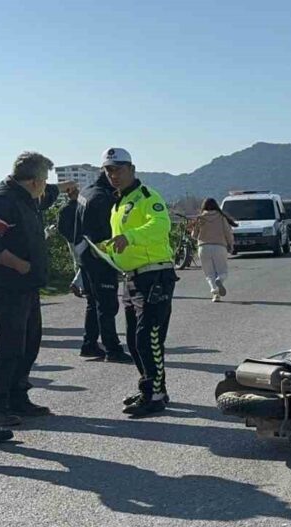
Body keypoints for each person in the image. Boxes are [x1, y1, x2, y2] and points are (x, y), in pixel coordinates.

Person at [0, 152, 74, 439]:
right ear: (34, 180)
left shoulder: (28, 196)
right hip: (6, 288)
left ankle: (18, 397)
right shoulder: (3, 200)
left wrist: (66, 188)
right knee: (7, 347)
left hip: (27, 288)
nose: (46, 187)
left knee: (29, 343)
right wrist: (20, 264)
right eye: (44, 181)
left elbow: (52, 193)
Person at [97, 148, 176, 418]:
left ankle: (154, 396)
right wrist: (106, 248)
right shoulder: (119, 203)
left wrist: (129, 237)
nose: (113, 175)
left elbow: (161, 225)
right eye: (108, 170)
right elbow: (123, 240)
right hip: (131, 277)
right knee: (133, 339)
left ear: (132, 169)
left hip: (154, 275)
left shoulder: (147, 197)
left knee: (148, 337)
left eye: (118, 169)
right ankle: (153, 388)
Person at [56, 170, 131, 362]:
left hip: (85, 255)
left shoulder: (88, 192)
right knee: (107, 304)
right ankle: (112, 349)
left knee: (93, 302)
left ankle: (89, 344)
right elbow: (108, 230)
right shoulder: (102, 198)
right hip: (100, 257)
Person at [192, 198, 234, 301]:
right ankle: (219, 280)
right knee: (222, 271)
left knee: (209, 273)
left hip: (203, 247)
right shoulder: (221, 217)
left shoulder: (200, 218)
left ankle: (215, 292)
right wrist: (231, 245)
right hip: (219, 247)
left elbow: (194, 235)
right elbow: (228, 233)